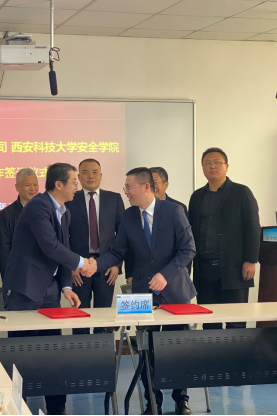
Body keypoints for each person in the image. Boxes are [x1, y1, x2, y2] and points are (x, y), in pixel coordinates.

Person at [96, 167, 196, 416]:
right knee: (147, 349)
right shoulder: (129, 216)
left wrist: (165, 274)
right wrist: (93, 265)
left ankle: (181, 399)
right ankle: (153, 401)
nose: (126, 192)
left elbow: (188, 249)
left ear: (146, 187)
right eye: (125, 188)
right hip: (143, 293)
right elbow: (117, 252)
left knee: (178, 348)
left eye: (129, 187)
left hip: (175, 291)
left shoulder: (173, 211)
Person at [3, 162, 97, 416]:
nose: (77, 187)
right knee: (21, 354)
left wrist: (66, 286)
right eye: (74, 182)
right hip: (25, 290)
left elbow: (62, 248)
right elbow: (50, 246)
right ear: (58, 184)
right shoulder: (38, 207)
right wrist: (83, 263)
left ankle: (57, 408)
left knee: (52, 351)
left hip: (50, 291)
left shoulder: (63, 210)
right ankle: (18, 408)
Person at [188, 148, 260, 329]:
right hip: (204, 269)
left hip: (234, 268)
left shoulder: (242, 192)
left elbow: (252, 228)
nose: (212, 166)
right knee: (209, 322)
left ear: (226, 166)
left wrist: (251, 260)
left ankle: (236, 350)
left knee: (236, 321)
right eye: (207, 163)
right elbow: (191, 231)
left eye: (217, 162)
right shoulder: (196, 197)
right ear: (202, 168)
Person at [65, 159, 125, 334]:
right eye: (85, 172)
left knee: (103, 319)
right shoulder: (70, 200)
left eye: (94, 172)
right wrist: (71, 265)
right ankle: (81, 351)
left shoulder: (114, 198)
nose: (90, 176)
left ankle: (103, 350)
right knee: (79, 318)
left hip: (107, 268)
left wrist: (116, 264)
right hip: (78, 268)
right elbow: (63, 237)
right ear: (78, 177)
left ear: (101, 175)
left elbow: (122, 235)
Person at [0, 168, 39, 281]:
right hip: (19, 275)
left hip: (44, 276)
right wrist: (8, 280)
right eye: (28, 185)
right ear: (17, 187)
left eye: (35, 184)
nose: (32, 188)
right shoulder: (6, 214)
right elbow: (4, 251)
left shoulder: (47, 210)